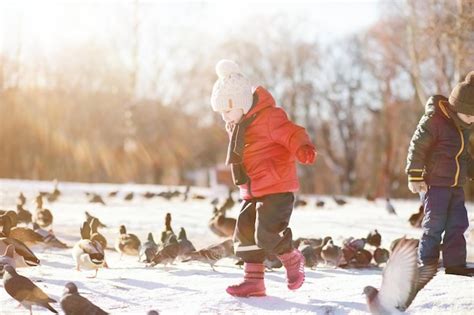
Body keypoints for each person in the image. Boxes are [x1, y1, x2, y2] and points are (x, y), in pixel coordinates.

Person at [210, 59, 317, 296]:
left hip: (276, 187)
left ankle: (291, 258)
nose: (225, 117)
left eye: (227, 110)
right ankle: (254, 282)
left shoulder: (269, 117)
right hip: (252, 189)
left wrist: (302, 148)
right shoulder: (238, 125)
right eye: (221, 113)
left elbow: (293, 133)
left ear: (242, 103)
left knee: (267, 233)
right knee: (245, 234)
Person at [406, 71, 474, 276]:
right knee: (434, 222)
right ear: (459, 107)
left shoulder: (463, 127)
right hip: (435, 184)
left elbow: (463, 156)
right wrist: (415, 174)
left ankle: (455, 264)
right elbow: (417, 147)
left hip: (456, 184)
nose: (472, 121)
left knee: (458, 222)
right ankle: (427, 262)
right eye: (470, 115)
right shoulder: (435, 120)